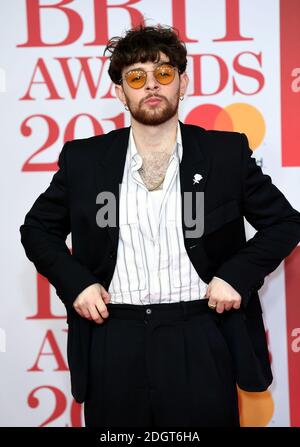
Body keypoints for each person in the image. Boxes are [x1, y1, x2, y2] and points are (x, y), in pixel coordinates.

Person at [20, 24, 300, 428]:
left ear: (182, 82)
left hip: (202, 335)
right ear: (120, 92)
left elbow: (285, 224)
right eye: (136, 77)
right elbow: (36, 230)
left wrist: (236, 275)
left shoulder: (225, 154)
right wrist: (76, 282)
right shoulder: (83, 160)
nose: (151, 86)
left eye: (163, 74)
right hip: (112, 337)